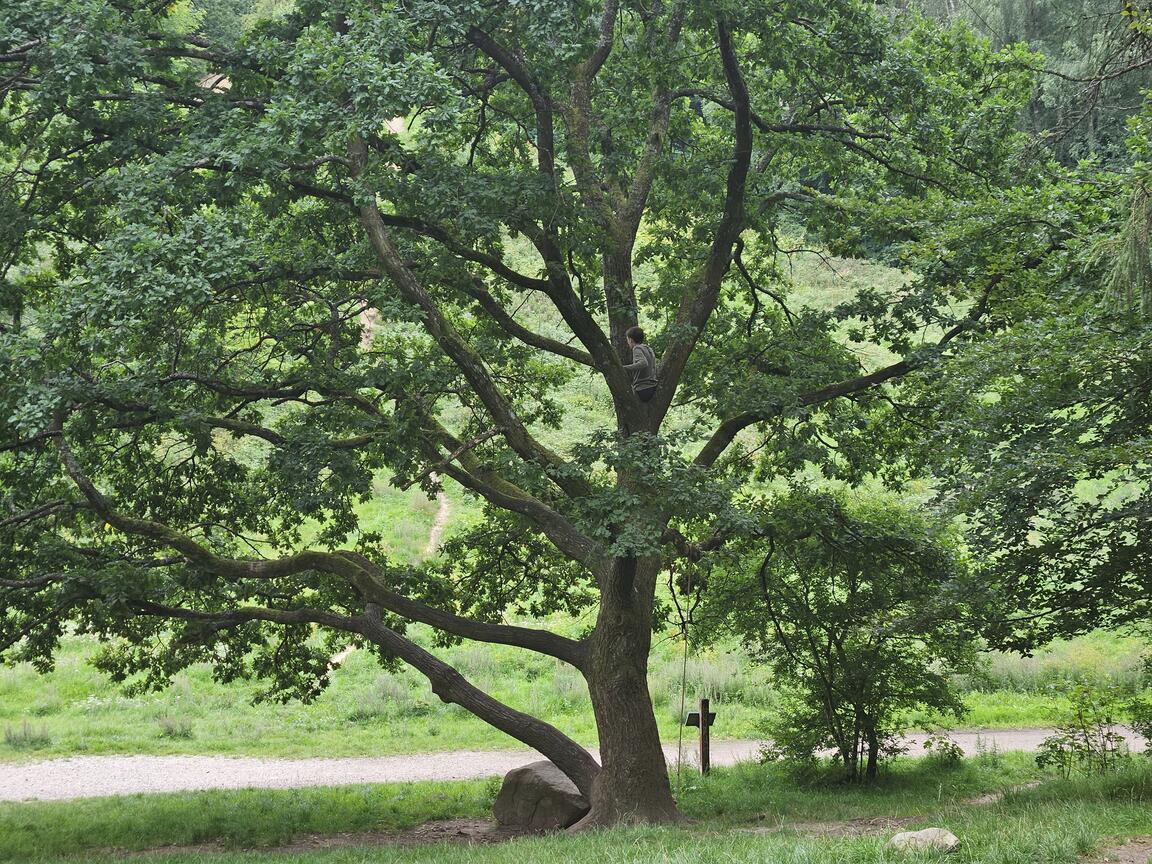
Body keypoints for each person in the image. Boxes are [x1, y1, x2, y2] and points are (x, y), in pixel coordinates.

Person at [623, 325, 658, 403]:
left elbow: (643, 363)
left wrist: (624, 368)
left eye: (627, 340)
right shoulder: (648, 348)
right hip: (652, 387)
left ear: (631, 340)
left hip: (643, 389)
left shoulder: (637, 348)